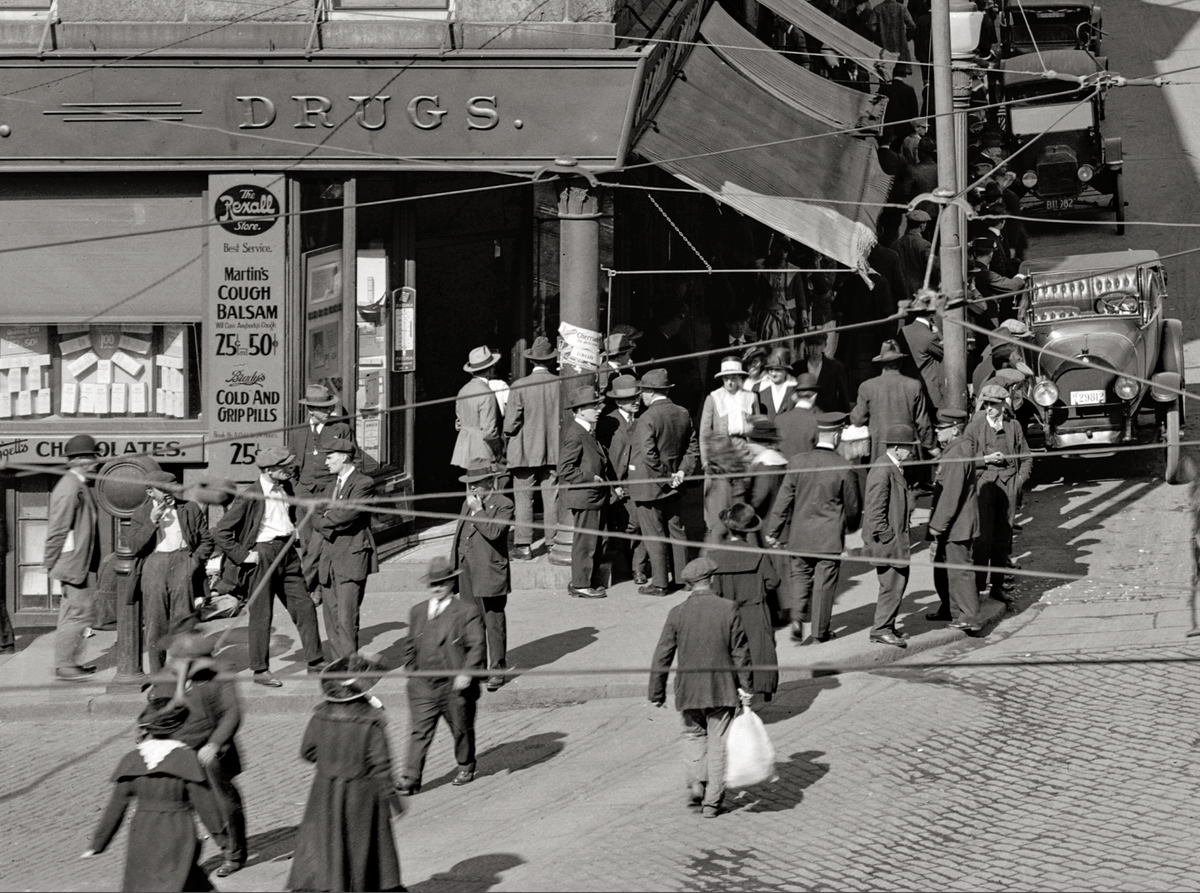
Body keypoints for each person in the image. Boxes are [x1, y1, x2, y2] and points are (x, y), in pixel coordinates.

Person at [288, 652, 404, 893]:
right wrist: (393, 800)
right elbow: (381, 765)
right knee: (364, 849)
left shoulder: (320, 716)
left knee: (327, 845)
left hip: (325, 792)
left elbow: (307, 752)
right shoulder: (370, 721)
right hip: (362, 795)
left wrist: (331, 761)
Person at [648, 557, 753, 819]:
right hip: (721, 690)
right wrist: (746, 687)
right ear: (712, 580)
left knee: (694, 740)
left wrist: (656, 692)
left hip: (689, 691)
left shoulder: (677, 613)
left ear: (690, 585)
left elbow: (663, 654)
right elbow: (740, 652)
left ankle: (697, 791)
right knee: (718, 745)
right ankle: (712, 803)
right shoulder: (728, 609)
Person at [211, 446, 325, 686]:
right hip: (263, 555)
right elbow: (221, 531)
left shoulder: (286, 487)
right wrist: (243, 556)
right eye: (285, 466)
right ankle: (260, 671)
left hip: (288, 553)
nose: (290, 469)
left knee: (305, 607)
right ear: (269, 469)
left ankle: (316, 663)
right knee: (262, 615)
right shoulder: (250, 494)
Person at [82, 701, 222, 892]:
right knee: (180, 878)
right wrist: (223, 838)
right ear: (178, 727)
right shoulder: (186, 759)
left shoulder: (132, 760)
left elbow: (116, 806)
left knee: (148, 883)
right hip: (177, 831)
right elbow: (205, 805)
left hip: (143, 833)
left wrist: (98, 843)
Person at [765, 412, 862, 645]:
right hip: (828, 538)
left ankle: (797, 620)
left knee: (800, 577)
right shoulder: (844, 467)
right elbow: (853, 507)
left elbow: (784, 500)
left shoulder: (797, 462)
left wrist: (773, 531)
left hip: (799, 535)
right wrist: (850, 527)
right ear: (837, 434)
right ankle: (820, 632)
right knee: (824, 584)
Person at [397, 557, 487, 795]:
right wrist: (411, 670)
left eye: (442, 583)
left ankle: (465, 765)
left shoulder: (466, 611)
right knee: (419, 731)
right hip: (422, 685)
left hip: (453, 685)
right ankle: (411, 777)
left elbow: (477, 645)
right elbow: (409, 644)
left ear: (451, 583)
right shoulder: (418, 611)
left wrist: (466, 673)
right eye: (433, 584)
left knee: (460, 728)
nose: (437, 588)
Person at [164, 631, 247, 879]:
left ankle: (233, 853)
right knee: (194, 806)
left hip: (212, 755)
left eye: (177, 660)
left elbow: (232, 713)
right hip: (181, 753)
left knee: (223, 804)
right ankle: (204, 851)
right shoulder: (170, 679)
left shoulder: (220, 677)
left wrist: (214, 744)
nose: (171, 664)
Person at [128, 470, 214, 675]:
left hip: (183, 562)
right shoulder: (141, 514)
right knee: (155, 625)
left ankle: (185, 674)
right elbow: (135, 547)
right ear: (150, 492)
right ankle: (159, 677)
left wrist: (193, 562)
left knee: (184, 622)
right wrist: (151, 521)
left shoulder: (189, 508)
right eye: (163, 490)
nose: (169, 493)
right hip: (155, 565)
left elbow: (207, 540)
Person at [629, 368, 700, 596]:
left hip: (650, 485)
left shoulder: (647, 418)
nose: (640, 396)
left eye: (642, 392)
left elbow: (648, 454)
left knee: (654, 534)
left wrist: (664, 476)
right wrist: (680, 472)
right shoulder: (682, 413)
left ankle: (659, 583)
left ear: (650, 392)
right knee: (676, 530)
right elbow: (692, 448)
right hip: (675, 484)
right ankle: (682, 578)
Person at [310, 437, 379, 662]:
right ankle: (339, 668)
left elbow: (349, 515)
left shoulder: (363, 483)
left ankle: (351, 672)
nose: (326, 462)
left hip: (351, 560)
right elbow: (315, 516)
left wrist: (327, 519)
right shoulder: (330, 486)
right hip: (329, 561)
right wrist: (328, 519)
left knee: (347, 620)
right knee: (331, 620)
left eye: (330, 458)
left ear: (344, 457)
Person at [450, 460, 513, 691]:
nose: (472, 489)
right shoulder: (467, 503)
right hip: (466, 569)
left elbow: (494, 532)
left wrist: (478, 511)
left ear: (490, 481)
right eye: (469, 484)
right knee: (471, 621)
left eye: (476, 484)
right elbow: (459, 536)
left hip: (489, 571)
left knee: (493, 622)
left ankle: (497, 670)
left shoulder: (504, 504)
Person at [967, 383, 1032, 601]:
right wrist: (985, 459)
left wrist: (1019, 481)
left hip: (1008, 488)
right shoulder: (974, 427)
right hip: (984, 487)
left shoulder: (1013, 426)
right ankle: (976, 590)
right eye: (986, 404)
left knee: (1002, 539)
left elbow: (1026, 457)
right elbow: (964, 459)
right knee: (982, 539)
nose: (989, 409)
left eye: (993, 405)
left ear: (1003, 405)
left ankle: (997, 586)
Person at [44, 433, 101, 682]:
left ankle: (68, 663)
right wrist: (51, 562)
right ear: (80, 460)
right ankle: (66, 665)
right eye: (93, 458)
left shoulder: (77, 485)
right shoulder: (70, 488)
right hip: (74, 564)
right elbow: (58, 529)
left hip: (76, 563)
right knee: (79, 613)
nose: (97, 463)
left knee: (73, 613)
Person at [709, 504, 780, 702]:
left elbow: (714, 590)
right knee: (759, 650)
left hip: (727, 611)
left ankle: (733, 691)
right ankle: (759, 691)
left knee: (730, 651)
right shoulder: (758, 554)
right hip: (755, 610)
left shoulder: (715, 556)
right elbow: (773, 581)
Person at [289, 383, 355, 592]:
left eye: (330, 407)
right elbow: (291, 463)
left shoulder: (341, 429)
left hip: (330, 492)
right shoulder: (298, 432)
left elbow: (354, 460)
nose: (329, 411)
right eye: (324, 408)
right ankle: (317, 588)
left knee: (320, 542)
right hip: (305, 494)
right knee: (309, 544)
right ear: (310, 410)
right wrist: (297, 488)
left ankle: (307, 588)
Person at [504, 336, 562, 561]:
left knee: (523, 498)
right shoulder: (560, 384)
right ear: (551, 360)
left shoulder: (519, 386)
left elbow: (511, 424)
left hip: (525, 450)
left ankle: (524, 545)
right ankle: (552, 543)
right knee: (552, 497)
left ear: (531, 361)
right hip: (553, 450)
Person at [862, 424, 919, 648]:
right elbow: (875, 511)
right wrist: (888, 537)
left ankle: (888, 625)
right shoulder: (883, 469)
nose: (912, 452)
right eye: (909, 447)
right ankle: (881, 629)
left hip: (894, 539)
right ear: (897, 448)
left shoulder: (891, 466)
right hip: (889, 542)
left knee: (898, 583)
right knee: (891, 585)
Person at [926, 409, 983, 631]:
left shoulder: (956, 453)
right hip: (958, 524)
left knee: (961, 572)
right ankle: (959, 614)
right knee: (955, 570)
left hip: (958, 525)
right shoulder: (955, 450)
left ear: (955, 429)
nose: (937, 432)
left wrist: (937, 525)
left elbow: (950, 493)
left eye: (941, 429)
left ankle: (970, 617)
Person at [558, 385, 611, 599]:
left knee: (597, 541)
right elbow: (564, 469)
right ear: (580, 410)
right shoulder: (576, 434)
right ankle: (580, 584)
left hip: (594, 496)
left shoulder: (586, 431)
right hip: (585, 495)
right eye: (592, 406)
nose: (598, 409)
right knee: (585, 543)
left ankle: (586, 581)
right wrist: (591, 478)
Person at [596, 374, 651, 584]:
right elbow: (602, 457)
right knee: (623, 527)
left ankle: (639, 569)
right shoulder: (608, 422)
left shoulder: (644, 420)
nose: (635, 402)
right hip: (617, 485)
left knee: (639, 525)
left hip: (638, 483)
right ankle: (625, 566)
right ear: (619, 401)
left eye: (637, 397)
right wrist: (613, 485)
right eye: (630, 399)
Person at [850, 339, 936, 462]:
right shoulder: (914, 385)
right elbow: (923, 422)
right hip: (908, 451)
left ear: (880, 364)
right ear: (901, 363)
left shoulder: (867, 387)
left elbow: (857, 419)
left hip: (878, 452)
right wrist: (930, 446)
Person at [699, 358, 756, 544]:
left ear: (740, 378)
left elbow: (756, 426)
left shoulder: (751, 397)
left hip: (743, 453)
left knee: (741, 496)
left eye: (733, 378)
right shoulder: (713, 398)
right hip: (720, 454)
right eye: (726, 379)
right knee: (718, 498)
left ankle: (741, 533)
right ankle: (717, 532)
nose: (730, 382)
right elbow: (705, 432)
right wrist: (706, 459)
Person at [451, 346, 503, 471]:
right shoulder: (487, 393)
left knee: (472, 487)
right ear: (490, 370)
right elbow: (489, 432)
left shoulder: (463, 390)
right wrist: (499, 448)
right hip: (483, 450)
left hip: (464, 450)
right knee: (486, 488)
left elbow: (459, 422)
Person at [899, 298, 946, 412]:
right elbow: (948, 353)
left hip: (909, 392)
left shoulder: (903, 331)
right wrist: (936, 331)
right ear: (931, 314)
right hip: (929, 394)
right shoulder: (930, 336)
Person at [801, 332, 851, 413]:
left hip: (828, 416)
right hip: (804, 416)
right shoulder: (797, 367)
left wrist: (845, 419)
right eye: (811, 344)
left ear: (825, 345)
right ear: (806, 345)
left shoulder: (836, 367)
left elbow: (843, 396)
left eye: (818, 344)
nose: (814, 349)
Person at [776, 373, 820, 460]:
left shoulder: (778, 419)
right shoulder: (817, 421)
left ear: (795, 396)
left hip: (782, 471)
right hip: (806, 471)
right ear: (815, 396)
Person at [755, 348, 797, 422]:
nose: (773, 374)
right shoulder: (757, 389)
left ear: (786, 370)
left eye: (778, 369)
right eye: (770, 369)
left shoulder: (795, 389)